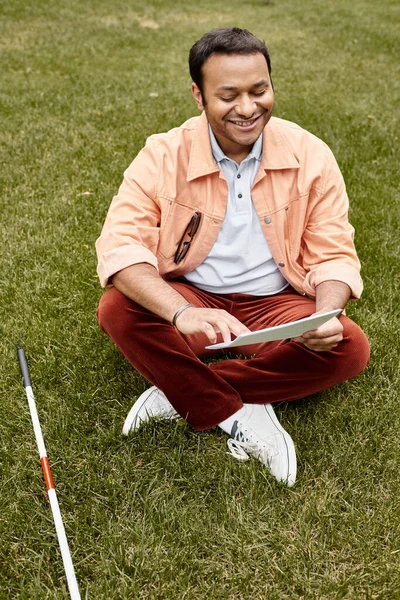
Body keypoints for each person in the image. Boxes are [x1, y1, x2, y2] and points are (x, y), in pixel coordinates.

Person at [95, 27, 370, 487]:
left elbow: (334, 252)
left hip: (276, 304)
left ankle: (179, 391)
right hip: (193, 299)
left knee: (349, 347)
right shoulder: (162, 154)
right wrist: (179, 312)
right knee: (118, 309)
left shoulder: (310, 154)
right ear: (199, 96)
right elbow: (121, 248)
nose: (248, 108)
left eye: (259, 90)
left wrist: (323, 314)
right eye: (228, 95)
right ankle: (237, 409)